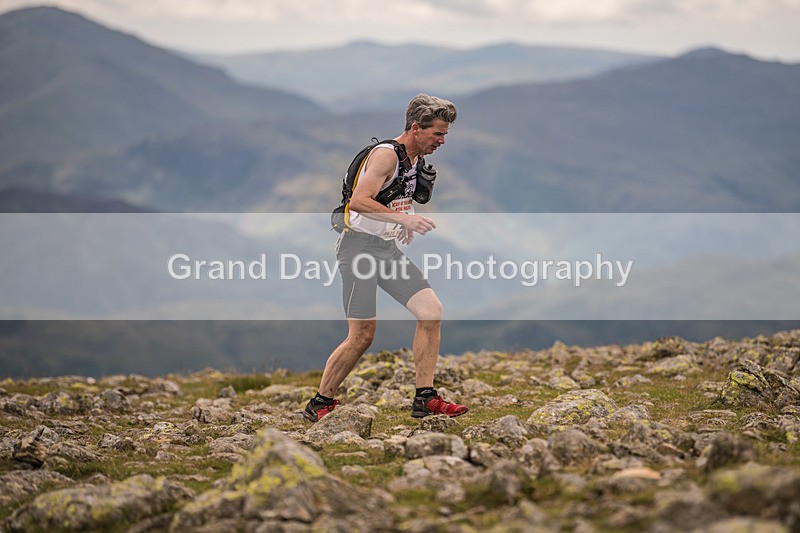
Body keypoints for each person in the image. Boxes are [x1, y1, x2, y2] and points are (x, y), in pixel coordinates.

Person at [303, 94, 468, 422]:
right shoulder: (386, 156)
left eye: (445, 134)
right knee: (362, 335)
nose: (442, 141)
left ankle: (425, 398)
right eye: (438, 133)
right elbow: (359, 202)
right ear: (416, 128)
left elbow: (392, 200)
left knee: (431, 312)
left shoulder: (415, 157)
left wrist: (399, 220)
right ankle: (320, 403)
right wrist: (403, 220)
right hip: (358, 250)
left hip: (386, 250)